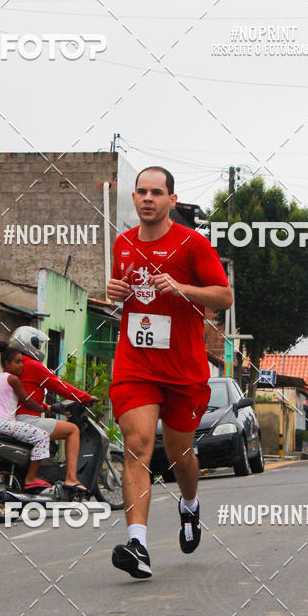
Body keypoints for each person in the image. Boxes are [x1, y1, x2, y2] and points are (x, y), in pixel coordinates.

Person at [107, 166, 232, 578]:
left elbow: (224, 296)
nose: (147, 198)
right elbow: (127, 294)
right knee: (138, 444)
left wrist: (183, 289)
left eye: (156, 192)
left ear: (171, 201)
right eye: (141, 191)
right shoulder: (122, 244)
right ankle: (138, 544)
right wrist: (114, 293)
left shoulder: (192, 244)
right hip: (135, 365)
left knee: (180, 456)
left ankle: (190, 506)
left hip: (182, 369)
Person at [9, 326, 98, 494]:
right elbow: (59, 385)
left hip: (13, 419)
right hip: (28, 420)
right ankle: (71, 479)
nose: (40, 348)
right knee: (72, 430)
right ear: (30, 343)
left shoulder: (14, 366)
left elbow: (26, 397)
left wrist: (47, 407)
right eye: (37, 344)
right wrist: (86, 397)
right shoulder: (33, 365)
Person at [0, 342, 52, 490]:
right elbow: (27, 401)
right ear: (7, 363)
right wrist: (46, 408)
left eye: (22, 361)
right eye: (17, 362)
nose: (21, 365)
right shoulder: (13, 379)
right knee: (42, 437)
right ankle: (31, 477)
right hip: (3, 422)